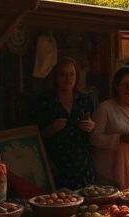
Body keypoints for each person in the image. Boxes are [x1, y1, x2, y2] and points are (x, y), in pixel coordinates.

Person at [37, 57, 96, 190]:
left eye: (71, 74)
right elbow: (36, 133)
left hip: (82, 162)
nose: (68, 78)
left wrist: (92, 126)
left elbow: (95, 127)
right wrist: (51, 129)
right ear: (55, 77)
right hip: (56, 162)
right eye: (63, 74)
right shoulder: (46, 101)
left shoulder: (85, 100)